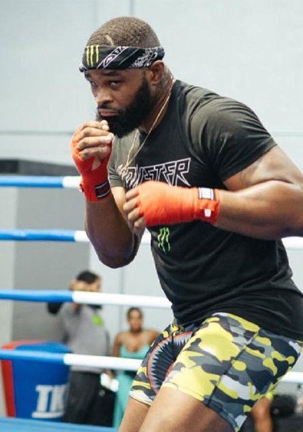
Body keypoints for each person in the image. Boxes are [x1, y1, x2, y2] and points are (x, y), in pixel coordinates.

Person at [70, 16, 303, 432]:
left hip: (256, 313)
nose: (101, 98)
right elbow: (115, 251)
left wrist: (199, 201)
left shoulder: (211, 119)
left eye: (114, 82)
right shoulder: (124, 143)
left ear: (154, 72)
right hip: (189, 320)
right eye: (93, 84)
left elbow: (299, 206)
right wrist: (95, 182)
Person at [47, 270, 112, 426]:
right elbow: (75, 298)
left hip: (95, 372)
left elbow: (98, 340)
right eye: (97, 286)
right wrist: (78, 286)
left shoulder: (93, 311)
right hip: (81, 371)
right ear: (87, 286)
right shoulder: (73, 308)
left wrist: (107, 367)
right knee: (75, 415)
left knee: (90, 420)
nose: (100, 290)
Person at [111, 307, 159, 428]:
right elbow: (112, 361)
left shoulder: (150, 335)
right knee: (126, 410)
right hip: (124, 379)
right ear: (127, 320)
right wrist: (111, 379)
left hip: (143, 380)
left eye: (138, 318)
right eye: (132, 318)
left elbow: (167, 345)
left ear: (142, 320)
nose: (135, 321)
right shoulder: (121, 337)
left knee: (142, 413)